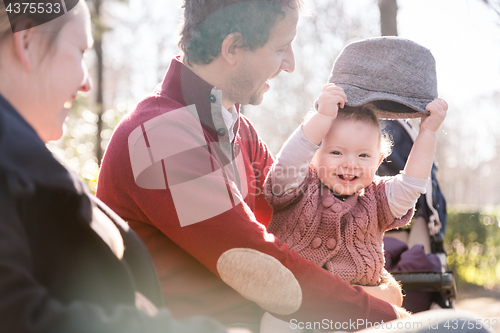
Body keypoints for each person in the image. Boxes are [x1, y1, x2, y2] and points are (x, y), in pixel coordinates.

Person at [96, 4, 492, 333]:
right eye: (281, 48)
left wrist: (374, 282)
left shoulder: (236, 129)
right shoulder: (161, 136)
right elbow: (260, 267)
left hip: (269, 322)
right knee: (459, 329)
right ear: (233, 47)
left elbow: (299, 217)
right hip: (221, 325)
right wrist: (386, 315)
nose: (290, 64)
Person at [0, 1, 228, 332]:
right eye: (79, 52)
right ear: (27, 41)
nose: (86, 84)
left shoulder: (24, 164)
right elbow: (16, 316)